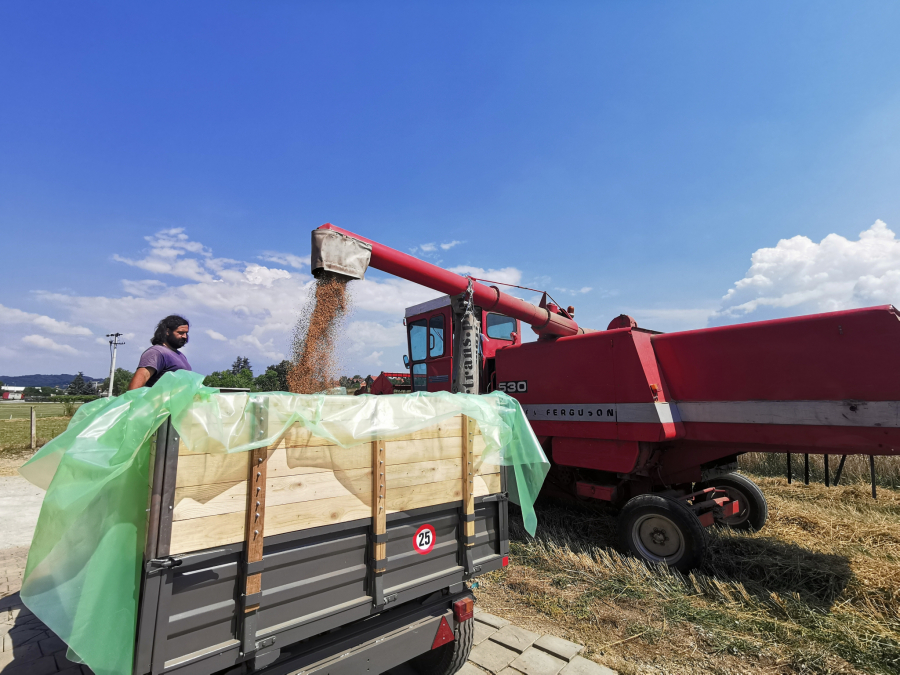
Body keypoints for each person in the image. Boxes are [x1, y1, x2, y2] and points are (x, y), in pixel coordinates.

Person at [128, 315, 193, 390]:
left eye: (186, 333)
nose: (185, 336)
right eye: (180, 333)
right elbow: (141, 379)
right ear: (167, 332)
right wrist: (131, 397)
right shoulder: (157, 352)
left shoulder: (181, 355)